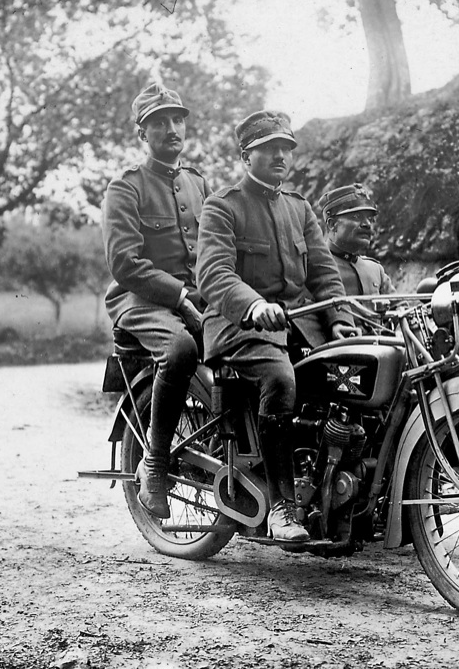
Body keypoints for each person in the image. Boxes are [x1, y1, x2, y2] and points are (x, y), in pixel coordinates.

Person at [197, 110, 359, 542]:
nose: (280, 156)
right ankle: (282, 508)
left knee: (355, 378)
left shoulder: (299, 208)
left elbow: (326, 275)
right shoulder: (223, 206)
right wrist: (253, 305)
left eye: (286, 148)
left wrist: (340, 321)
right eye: (269, 149)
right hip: (239, 327)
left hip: (298, 326)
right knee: (280, 378)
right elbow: (213, 274)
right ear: (246, 155)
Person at [101, 83, 211, 519]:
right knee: (180, 349)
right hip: (141, 300)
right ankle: (156, 466)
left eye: (177, 119)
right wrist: (181, 296)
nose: (171, 129)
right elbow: (125, 264)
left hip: (196, 296)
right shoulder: (125, 187)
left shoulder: (197, 182)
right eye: (159, 122)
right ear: (141, 134)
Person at [317, 183, 395, 297]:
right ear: (332, 224)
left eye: (370, 218)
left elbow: (400, 307)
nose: (367, 224)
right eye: (356, 217)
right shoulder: (314, 268)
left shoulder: (376, 270)